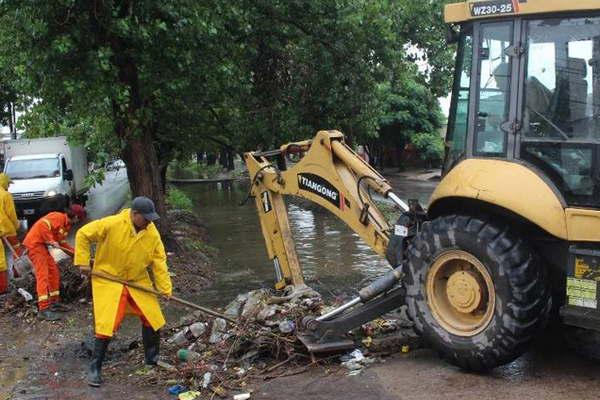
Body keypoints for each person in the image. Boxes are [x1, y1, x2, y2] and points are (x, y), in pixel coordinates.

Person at [74, 196, 172, 387]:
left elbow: (159, 261)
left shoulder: (151, 233)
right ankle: (95, 368)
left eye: (151, 219)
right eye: (146, 218)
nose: (149, 223)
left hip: (137, 280)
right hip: (109, 279)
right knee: (107, 324)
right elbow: (83, 234)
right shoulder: (112, 224)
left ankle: (152, 360)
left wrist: (164, 288)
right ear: (134, 215)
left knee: (153, 317)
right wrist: (83, 262)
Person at [23, 204, 86, 320]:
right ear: (76, 216)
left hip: (42, 246)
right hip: (34, 245)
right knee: (43, 275)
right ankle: (43, 309)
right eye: (79, 219)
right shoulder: (58, 217)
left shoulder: (66, 225)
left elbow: (62, 243)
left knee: (54, 272)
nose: (78, 221)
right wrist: (50, 240)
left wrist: (77, 254)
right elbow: (42, 225)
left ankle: (54, 302)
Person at [0, 173, 20, 294]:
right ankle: (18, 273)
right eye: (8, 183)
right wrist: (16, 225)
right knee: (16, 251)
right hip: (7, 228)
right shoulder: (6, 195)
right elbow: (11, 213)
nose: (8, 186)